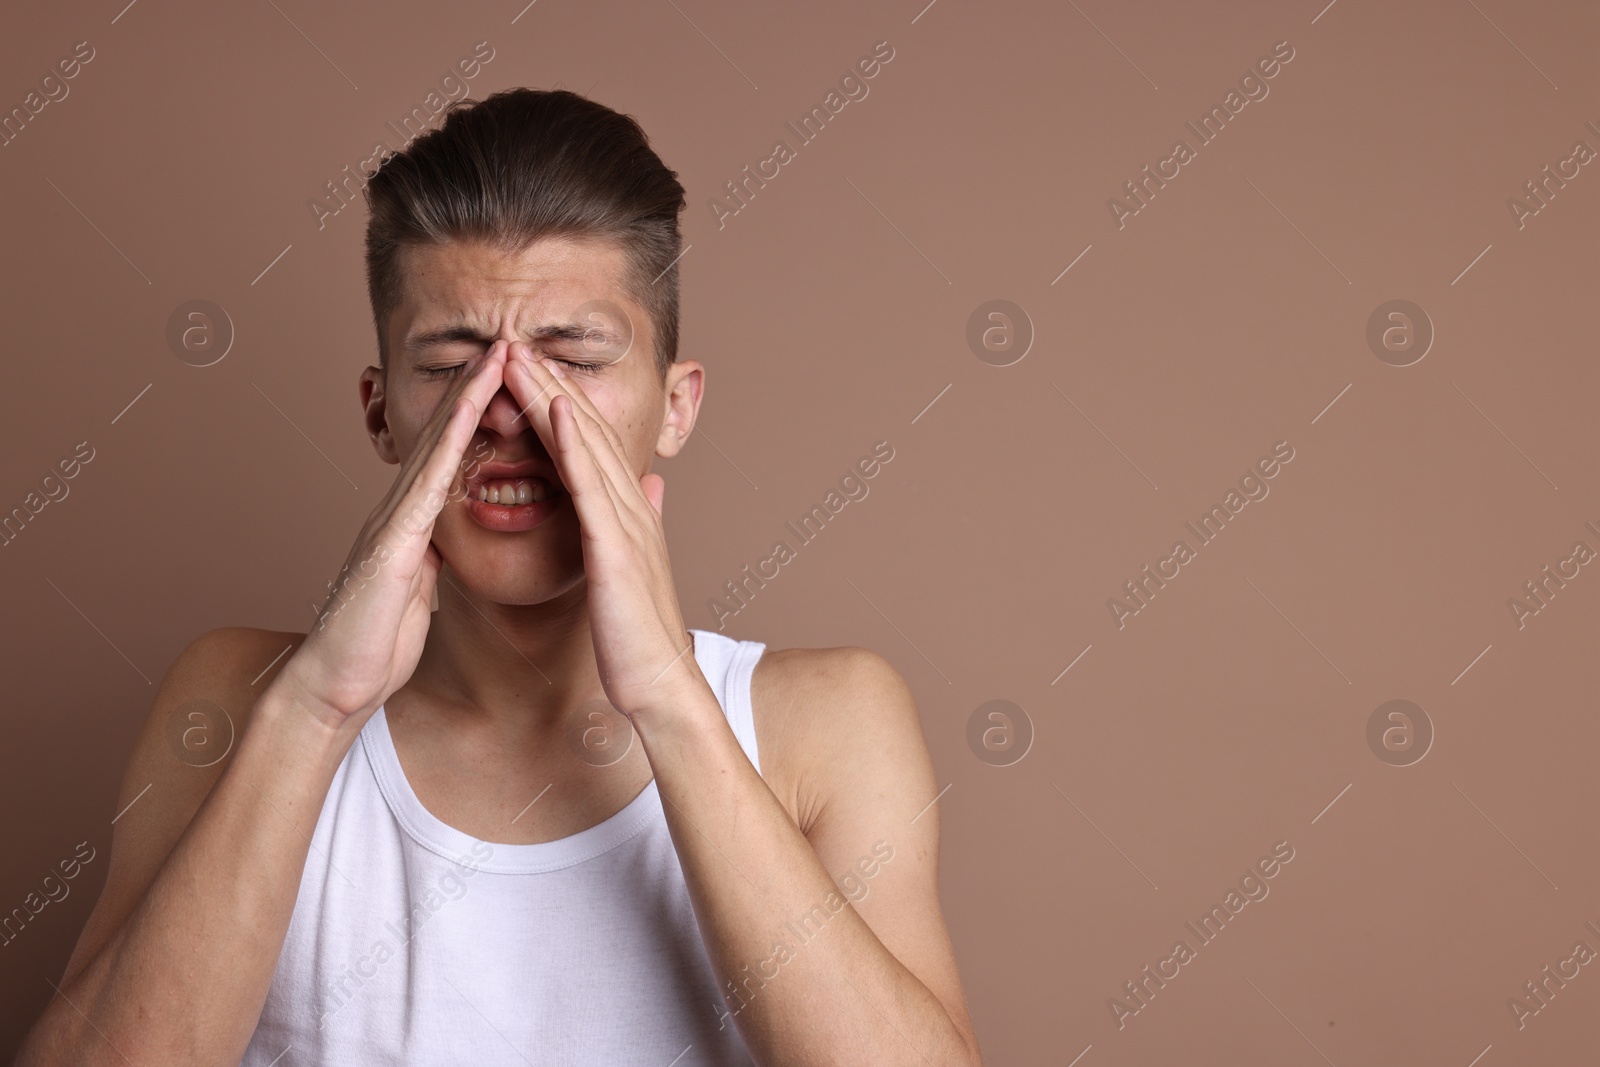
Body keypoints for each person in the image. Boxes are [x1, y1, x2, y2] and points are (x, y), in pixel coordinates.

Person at [16, 88, 983, 1066]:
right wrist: (314, 708)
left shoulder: (829, 722)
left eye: (573, 359)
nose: (511, 412)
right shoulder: (231, 701)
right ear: (381, 411)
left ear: (676, 406)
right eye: (453, 365)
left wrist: (670, 701)